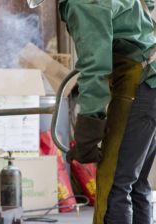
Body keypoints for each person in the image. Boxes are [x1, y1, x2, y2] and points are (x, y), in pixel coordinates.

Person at [28, 0, 156, 223]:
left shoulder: (83, 3)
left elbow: (95, 68)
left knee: (112, 186)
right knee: (135, 183)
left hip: (141, 80)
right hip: (150, 77)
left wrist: (87, 135)